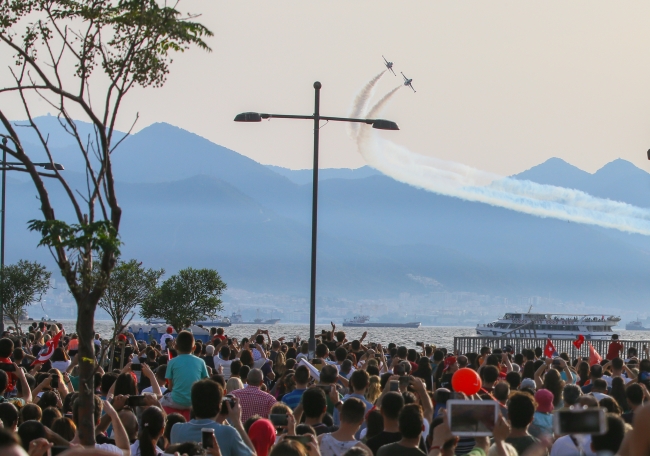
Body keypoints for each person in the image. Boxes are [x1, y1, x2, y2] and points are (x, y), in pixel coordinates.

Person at [170, 378, 255, 456]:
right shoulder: (229, 433)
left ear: (192, 404)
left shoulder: (176, 429)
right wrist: (238, 423)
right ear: (219, 406)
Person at [162, 330, 209, 415]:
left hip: (176, 401)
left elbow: (170, 387)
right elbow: (205, 383)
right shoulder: (201, 361)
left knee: (160, 401)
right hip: (194, 402)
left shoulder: (172, 362)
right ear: (194, 348)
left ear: (175, 347)